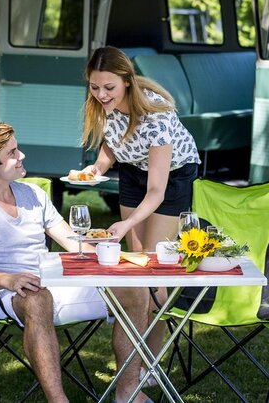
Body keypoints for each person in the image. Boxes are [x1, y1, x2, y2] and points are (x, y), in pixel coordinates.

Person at [0, 122, 149, 403]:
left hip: (52, 284)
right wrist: (8, 279)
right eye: (12, 153)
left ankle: (128, 392)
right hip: (0, 293)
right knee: (37, 298)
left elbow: (72, 242)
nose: (22, 156)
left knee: (135, 290)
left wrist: (114, 258)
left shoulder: (33, 195)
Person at [79, 46, 201, 387]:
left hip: (171, 177)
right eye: (94, 87)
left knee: (154, 273)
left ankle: (152, 363)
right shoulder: (103, 105)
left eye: (109, 87)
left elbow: (157, 192)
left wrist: (127, 224)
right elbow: (113, 143)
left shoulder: (156, 114)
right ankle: (134, 360)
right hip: (133, 170)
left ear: (127, 81)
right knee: (135, 268)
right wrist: (97, 167)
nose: (101, 94)